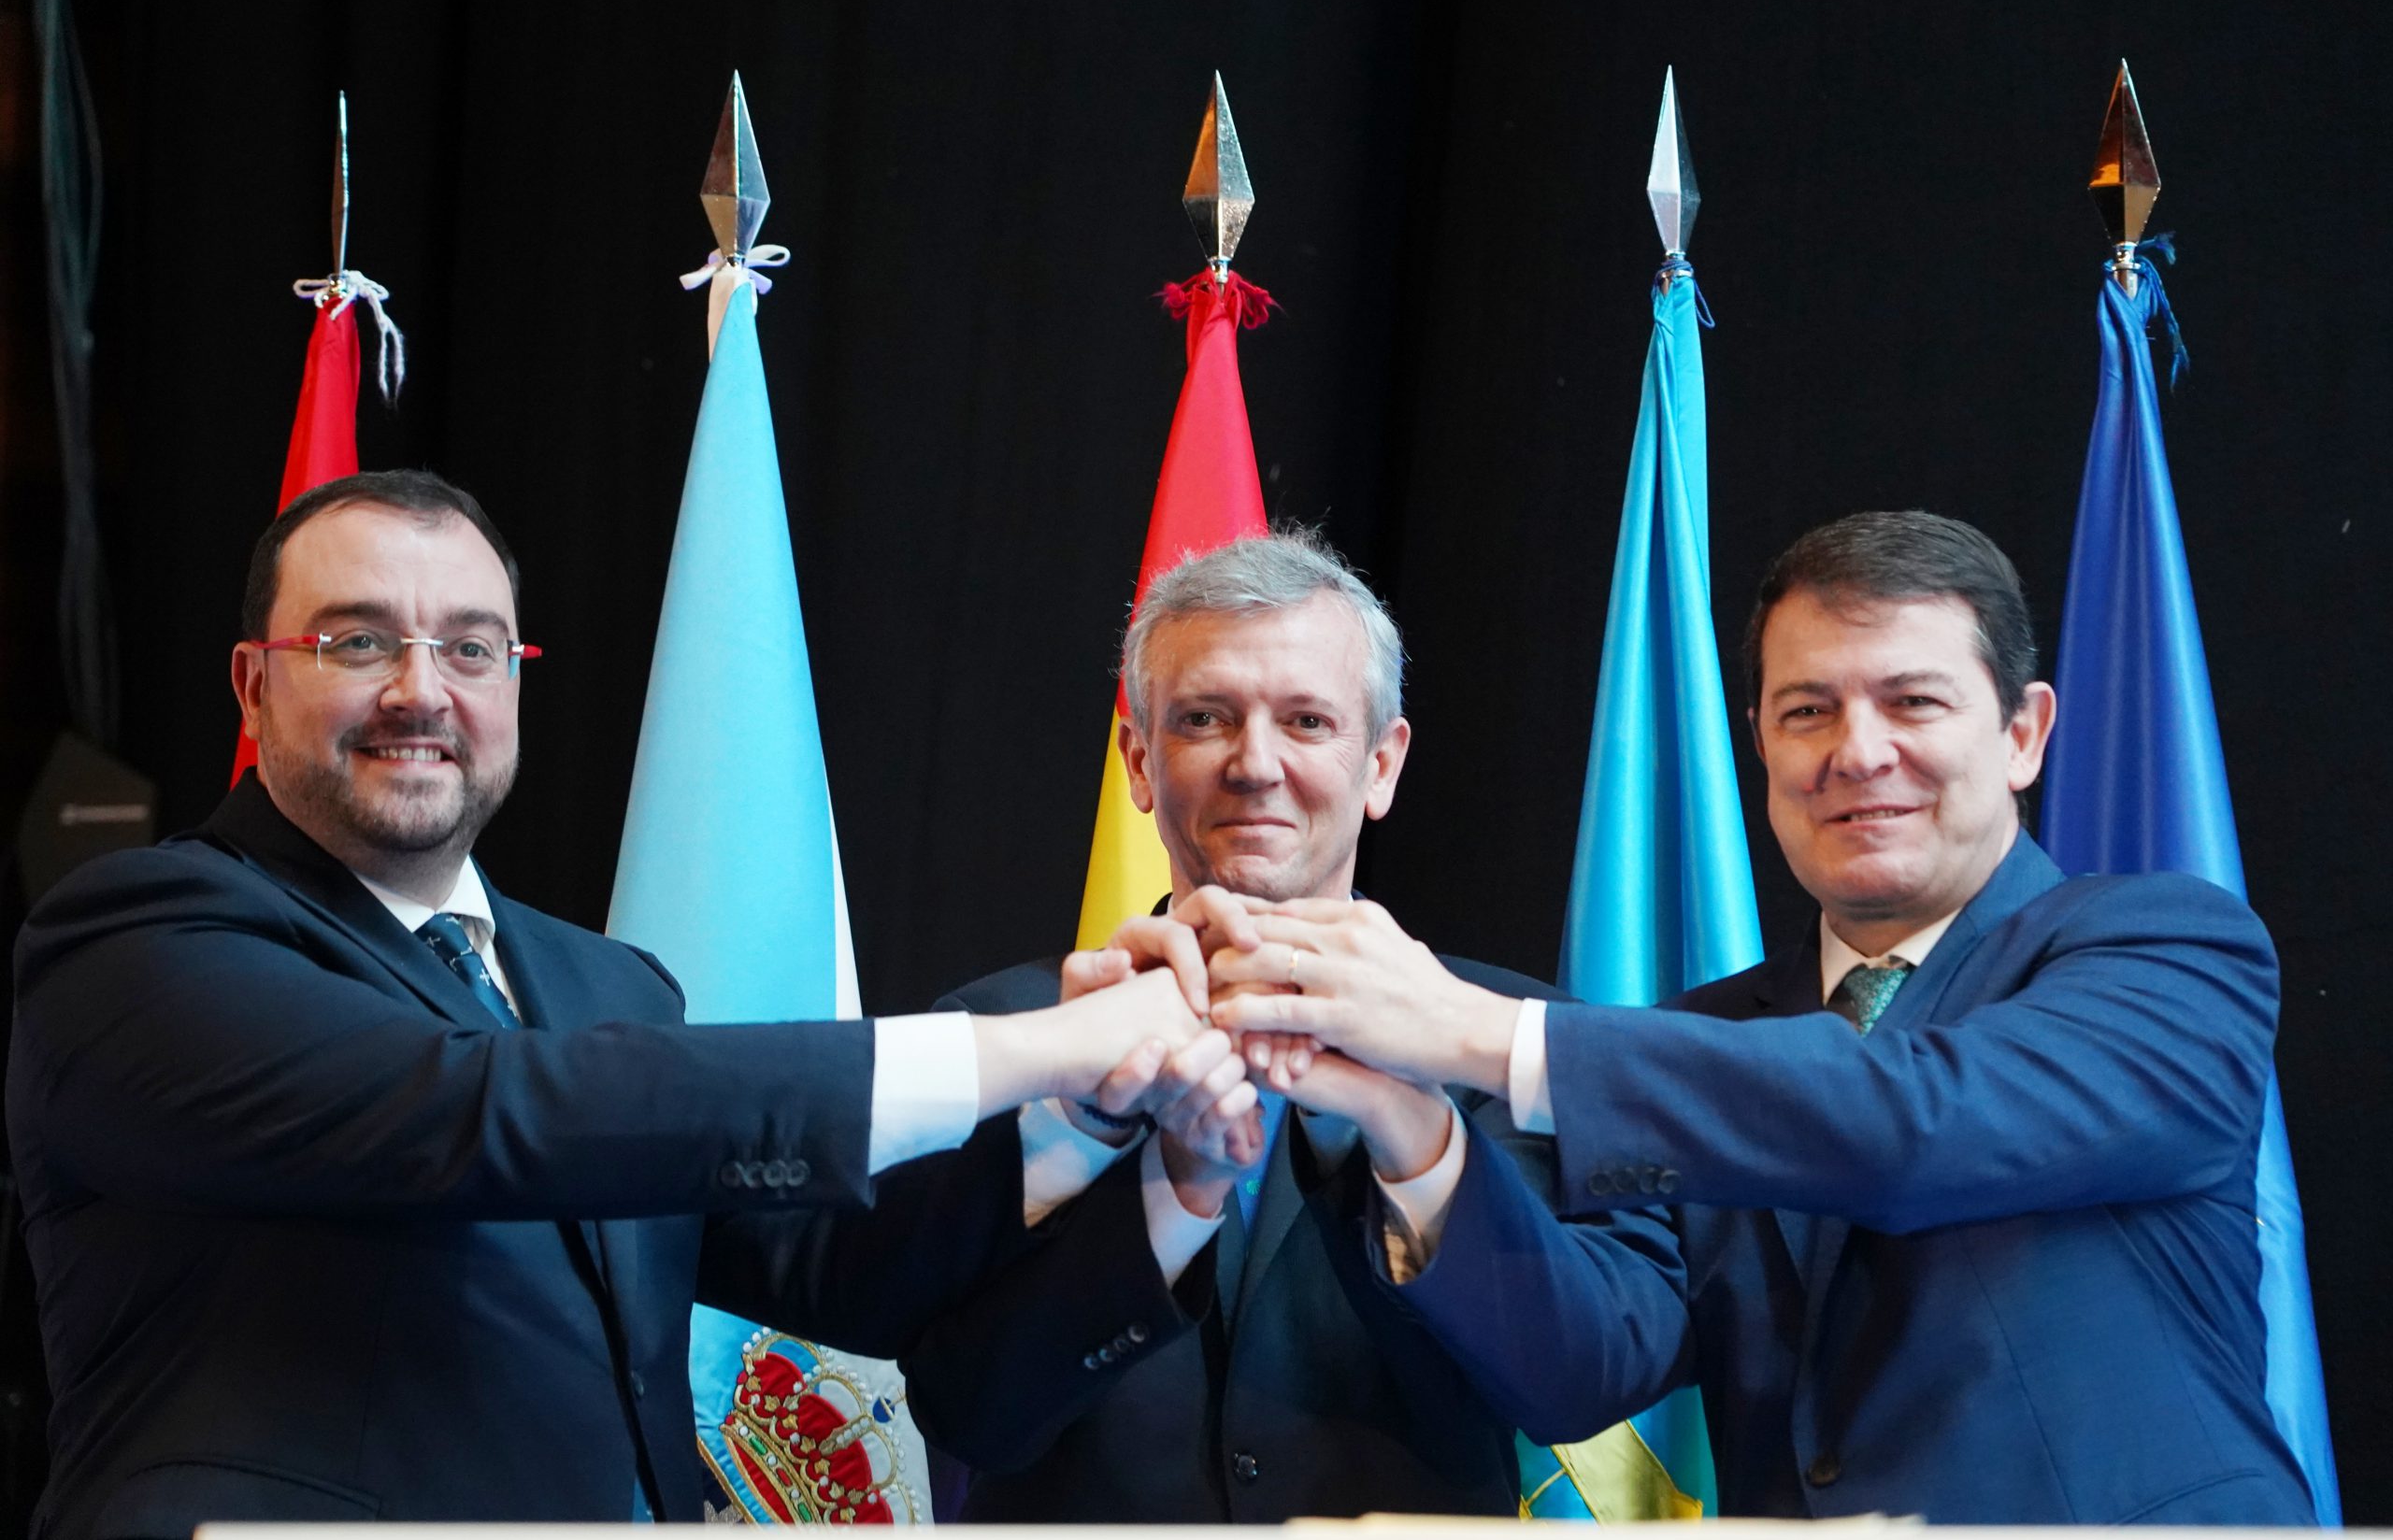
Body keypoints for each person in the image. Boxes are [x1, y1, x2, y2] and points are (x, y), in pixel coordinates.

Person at [7, 470, 1229, 1539]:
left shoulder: (605, 983)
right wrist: (1019, 1048)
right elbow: (477, 1110)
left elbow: (834, 1258)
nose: (421, 690)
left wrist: (1099, 1120)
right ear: (253, 683)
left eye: (473, 647)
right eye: (358, 642)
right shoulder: (139, 942)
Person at [1208, 510, 2316, 1524]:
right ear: (1761, 743)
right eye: (1808, 711)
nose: (1858, 751)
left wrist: (1482, 1033)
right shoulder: (1706, 1039)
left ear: (2023, 733)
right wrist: (1415, 1128)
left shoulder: (2169, 949)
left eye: (1913, 701)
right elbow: (1577, 1371)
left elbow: (1915, 1123)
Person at [897, 529, 1627, 1521]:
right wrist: (1167, 1195)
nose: (1255, 763)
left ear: (1380, 765)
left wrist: (1420, 1140)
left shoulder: (1514, 1046)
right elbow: (967, 1413)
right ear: (1139, 761)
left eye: (1306, 720)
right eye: (1205, 718)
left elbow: (1572, 1389)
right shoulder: (1002, 1034)